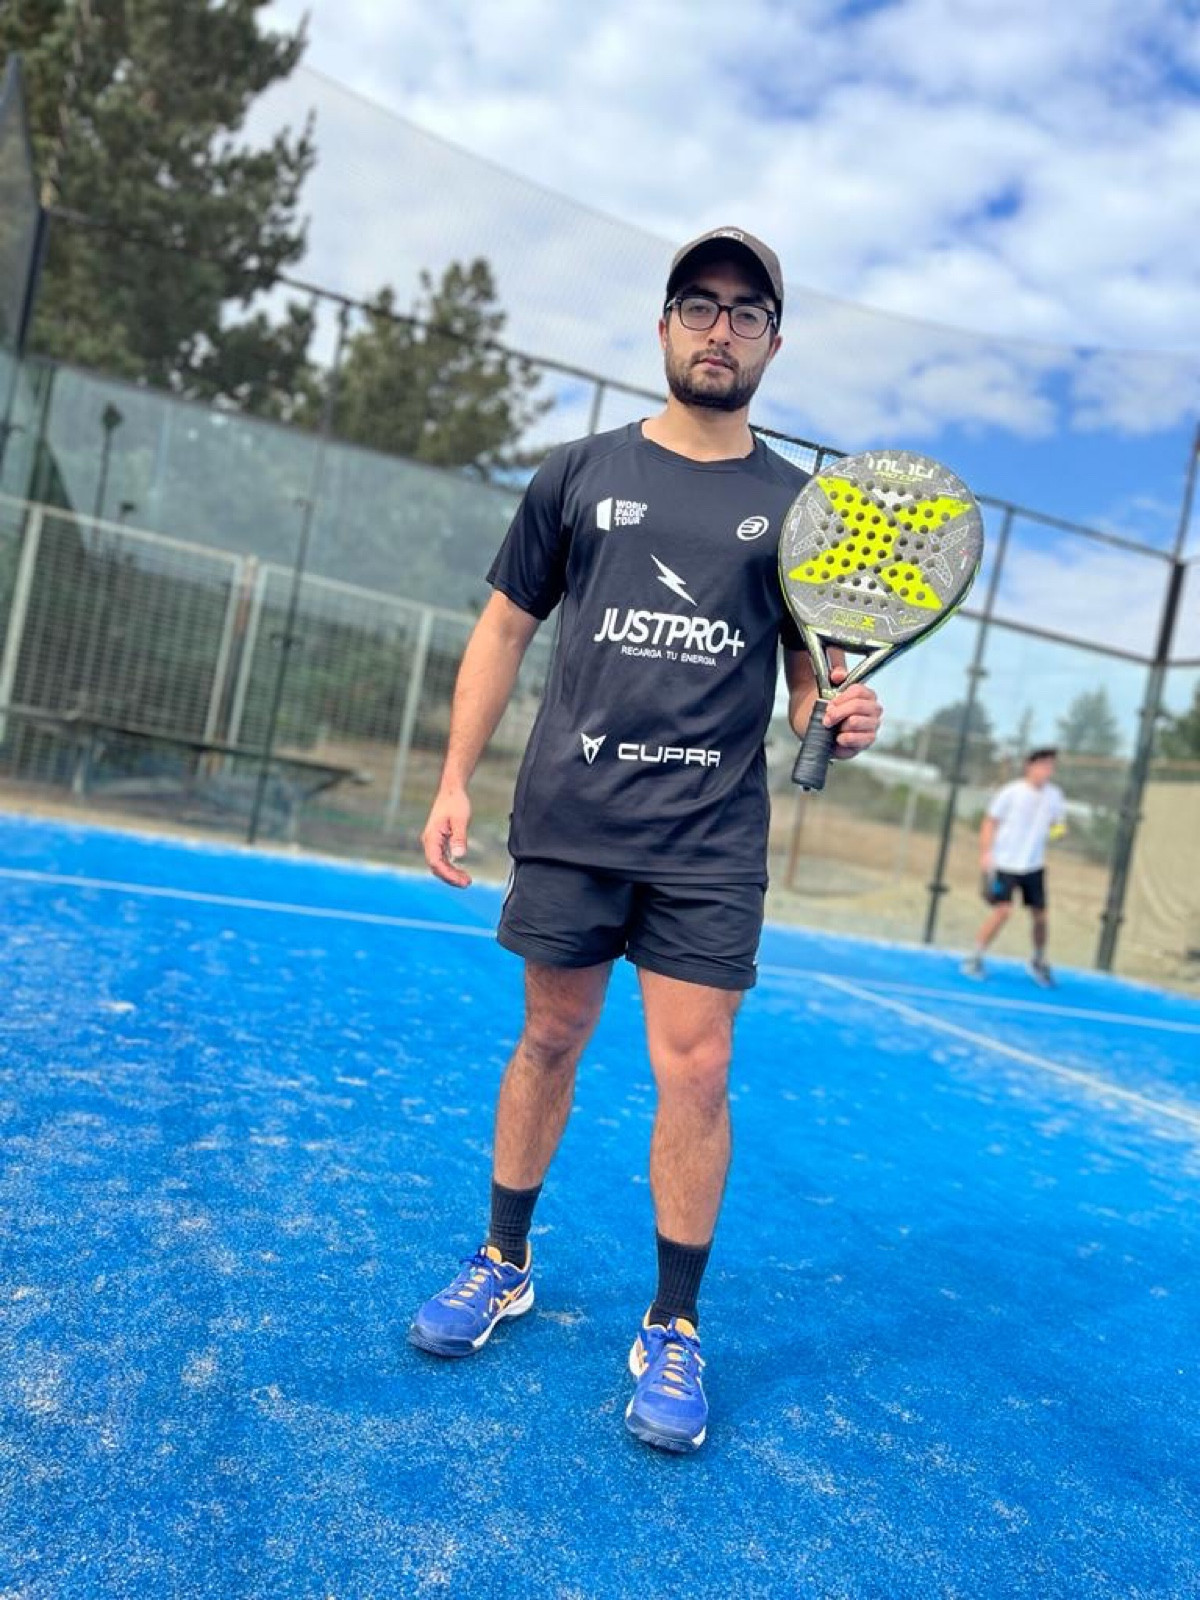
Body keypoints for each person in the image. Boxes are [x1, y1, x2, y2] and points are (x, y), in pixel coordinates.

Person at [409, 225, 883, 1454]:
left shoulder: (802, 511)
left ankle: (672, 1323)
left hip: (709, 842)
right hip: (571, 822)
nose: (721, 330)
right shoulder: (576, 474)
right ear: (665, 325)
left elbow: (806, 686)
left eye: (746, 312)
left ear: (774, 342)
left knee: (699, 1072)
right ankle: (503, 1259)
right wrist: (453, 779)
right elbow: (504, 629)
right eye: (700, 306)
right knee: (549, 1036)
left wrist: (837, 716)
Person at [962, 747, 1067, 988]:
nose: (1047, 770)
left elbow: (1057, 825)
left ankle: (1038, 960)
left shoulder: (1055, 796)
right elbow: (990, 822)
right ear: (1030, 766)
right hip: (1005, 863)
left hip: (1034, 866)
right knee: (1003, 911)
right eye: (1043, 765)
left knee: (1041, 916)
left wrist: (1058, 831)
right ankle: (974, 957)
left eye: (1051, 766)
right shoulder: (1011, 792)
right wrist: (986, 853)